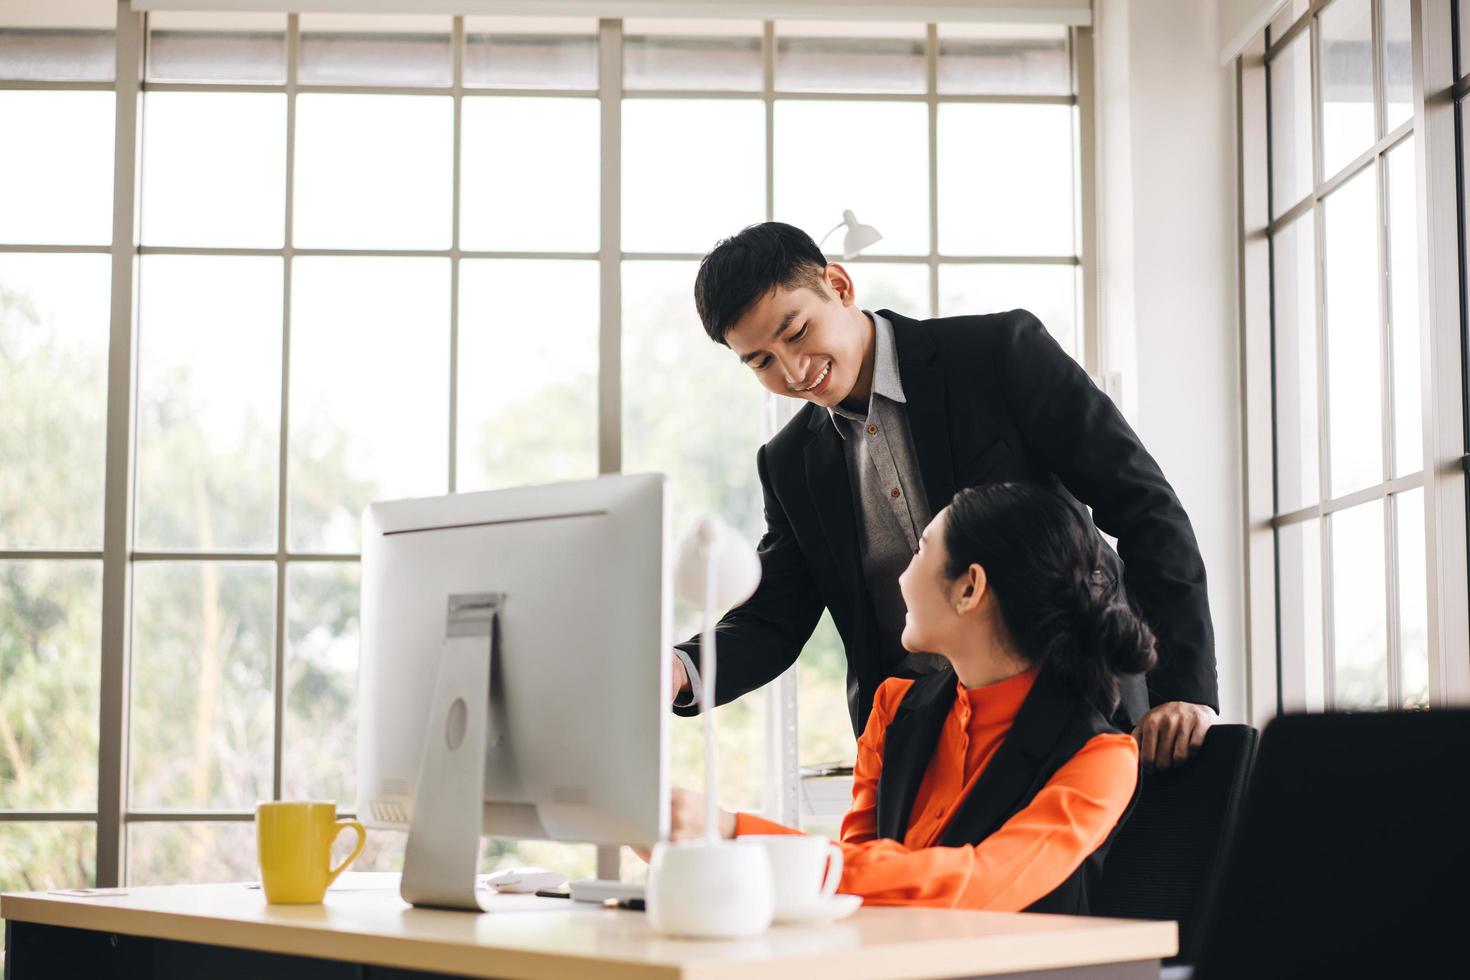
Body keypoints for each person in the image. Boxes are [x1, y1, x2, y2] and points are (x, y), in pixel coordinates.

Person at [669, 222, 1217, 770]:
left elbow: (1146, 507)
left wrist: (1183, 688)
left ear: (838, 286)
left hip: (1083, 712)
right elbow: (774, 616)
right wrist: (680, 668)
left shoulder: (1000, 354)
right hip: (923, 756)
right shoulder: (788, 463)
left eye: (796, 333)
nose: (792, 371)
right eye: (761, 362)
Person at [664, 484, 1153, 913]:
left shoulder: (1101, 760)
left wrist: (734, 833)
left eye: (920, 551)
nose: (899, 577)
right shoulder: (893, 709)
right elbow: (853, 878)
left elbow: (977, 882)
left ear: (969, 588)